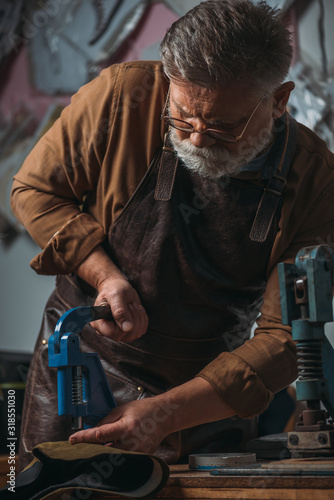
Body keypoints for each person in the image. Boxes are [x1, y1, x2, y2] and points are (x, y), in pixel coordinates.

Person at [11, 0, 334, 471]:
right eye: (182, 116)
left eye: (224, 125)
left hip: (205, 391)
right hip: (79, 370)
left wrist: (168, 412)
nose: (198, 139)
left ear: (279, 100)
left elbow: (285, 337)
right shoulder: (124, 95)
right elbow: (35, 191)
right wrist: (105, 276)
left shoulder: (316, 178)